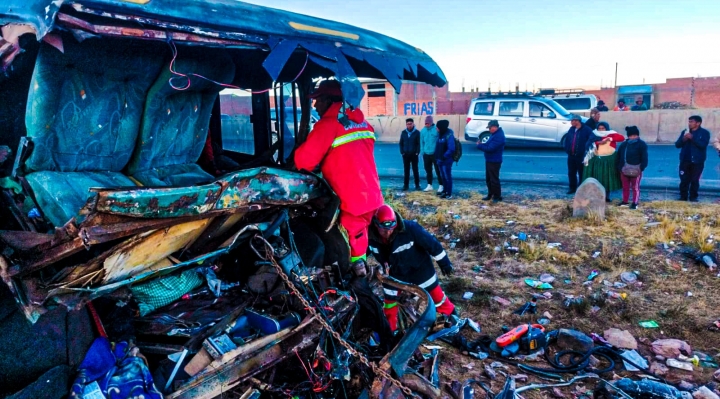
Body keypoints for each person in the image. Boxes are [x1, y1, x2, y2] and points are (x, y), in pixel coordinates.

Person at [295, 80, 383, 277]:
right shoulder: (363, 123)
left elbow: (303, 162)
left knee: (350, 246)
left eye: (317, 100)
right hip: (371, 195)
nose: (315, 105)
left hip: (352, 200)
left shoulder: (327, 126)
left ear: (329, 100)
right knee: (359, 239)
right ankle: (358, 268)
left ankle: (355, 279)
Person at [368, 204, 456, 332]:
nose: (388, 232)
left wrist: (445, 263)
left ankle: (452, 316)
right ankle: (390, 331)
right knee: (390, 303)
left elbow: (432, 244)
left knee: (437, 297)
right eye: (383, 229)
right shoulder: (370, 236)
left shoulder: (410, 229)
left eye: (391, 228)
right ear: (376, 225)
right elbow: (361, 252)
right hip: (393, 275)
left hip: (420, 270)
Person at [582, 122, 624, 202]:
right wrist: (598, 142)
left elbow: (621, 138)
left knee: (607, 178)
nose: (601, 130)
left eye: (603, 128)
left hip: (609, 160)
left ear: (606, 128)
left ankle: (607, 196)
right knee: (599, 178)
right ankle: (597, 195)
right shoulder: (594, 134)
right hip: (598, 160)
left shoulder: (611, 134)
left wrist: (610, 139)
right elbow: (589, 143)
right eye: (599, 128)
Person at [674, 115, 711, 202]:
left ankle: (693, 197)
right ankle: (683, 197)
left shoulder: (704, 133)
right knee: (684, 179)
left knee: (694, 180)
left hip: (697, 161)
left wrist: (692, 138)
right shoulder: (685, 131)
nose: (689, 123)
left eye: (692, 122)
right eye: (689, 121)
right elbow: (677, 145)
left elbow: (703, 145)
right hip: (685, 160)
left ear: (698, 123)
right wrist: (684, 139)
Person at [615, 126, 648, 209]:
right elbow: (619, 156)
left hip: (637, 170)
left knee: (635, 187)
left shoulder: (642, 144)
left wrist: (641, 168)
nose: (633, 137)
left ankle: (635, 202)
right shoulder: (624, 144)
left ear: (637, 135)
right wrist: (619, 167)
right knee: (625, 186)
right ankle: (625, 201)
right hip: (624, 169)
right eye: (631, 136)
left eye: (634, 135)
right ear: (628, 136)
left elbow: (644, 157)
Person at [477, 120, 506, 202]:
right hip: (490, 160)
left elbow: (490, 148)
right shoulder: (494, 134)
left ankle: (497, 196)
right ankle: (490, 194)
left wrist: (479, 146)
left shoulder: (499, 136)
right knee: (489, 179)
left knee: (494, 179)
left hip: (494, 161)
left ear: (495, 127)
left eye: (490, 128)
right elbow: (488, 145)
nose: (489, 130)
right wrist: (482, 144)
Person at [564, 115, 593, 194]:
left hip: (581, 156)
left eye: (573, 120)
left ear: (577, 121)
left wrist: (584, 151)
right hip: (571, 155)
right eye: (571, 120)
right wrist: (567, 149)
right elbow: (567, 140)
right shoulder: (571, 129)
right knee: (571, 172)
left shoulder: (587, 129)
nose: (571, 122)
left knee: (581, 173)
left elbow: (591, 140)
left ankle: (581, 189)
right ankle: (572, 188)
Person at [420, 116, 443, 193]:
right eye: (425, 123)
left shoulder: (436, 130)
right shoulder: (423, 131)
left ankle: (441, 185)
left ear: (431, 123)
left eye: (428, 123)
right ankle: (429, 185)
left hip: (435, 154)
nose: (427, 125)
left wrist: (439, 152)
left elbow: (439, 141)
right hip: (426, 154)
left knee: (438, 170)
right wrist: (422, 152)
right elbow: (421, 142)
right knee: (428, 170)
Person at [435, 119, 456, 199]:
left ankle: (449, 193)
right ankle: (445, 190)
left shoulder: (449, 135)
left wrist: (444, 156)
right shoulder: (440, 134)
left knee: (447, 176)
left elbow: (451, 149)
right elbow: (438, 147)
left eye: (437, 127)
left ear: (441, 127)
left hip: (446, 161)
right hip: (440, 160)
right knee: (443, 176)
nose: (436, 129)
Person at [399, 118, 421, 191]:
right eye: (408, 124)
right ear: (406, 125)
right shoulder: (403, 132)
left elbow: (419, 143)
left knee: (415, 170)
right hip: (405, 155)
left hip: (414, 155)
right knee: (406, 170)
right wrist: (402, 152)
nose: (409, 125)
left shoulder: (417, 132)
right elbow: (401, 143)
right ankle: (406, 185)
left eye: (410, 124)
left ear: (413, 124)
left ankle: (417, 185)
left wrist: (417, 152)